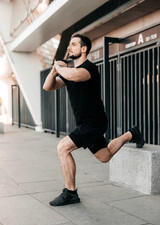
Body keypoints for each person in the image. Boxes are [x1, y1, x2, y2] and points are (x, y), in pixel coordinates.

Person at [43, 34, 145, 206]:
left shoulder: (89, 68)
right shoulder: (68, 74)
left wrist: (60, 69)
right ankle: (131, 134)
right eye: (69, 45)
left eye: (73, 44)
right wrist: (54, 71)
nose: (69, 48)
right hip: (86, 124)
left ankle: (70, 192)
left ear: (83, 49)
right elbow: (47, 86)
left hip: (94, 123)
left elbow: (76, 75)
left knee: (63, 148)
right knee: (104, 156)